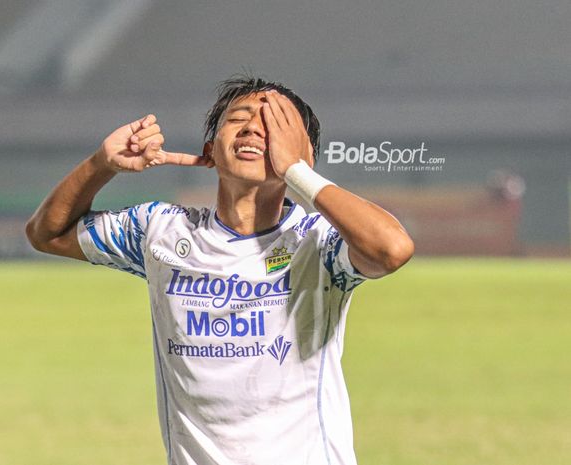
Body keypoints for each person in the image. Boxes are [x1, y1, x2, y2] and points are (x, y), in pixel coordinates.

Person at [26, 75, 414, 465]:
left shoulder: (317, 241)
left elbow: (391, 250)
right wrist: (101, 165)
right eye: (239, 118)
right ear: (210, 151)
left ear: (302, 154)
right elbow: (47, 234)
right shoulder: (160, 231)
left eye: (274, 125)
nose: (251, 128)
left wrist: (296, 172)